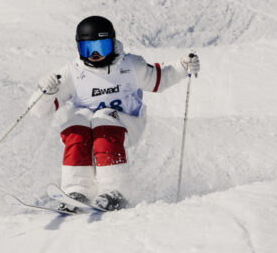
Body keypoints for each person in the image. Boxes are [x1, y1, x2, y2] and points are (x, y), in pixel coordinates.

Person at [33, 15, 200, 212]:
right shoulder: (73, 72)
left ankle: (114, 191)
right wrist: (45, 93)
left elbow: (160, 78)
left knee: (103, 119)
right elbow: (40, 111)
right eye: (87, 49)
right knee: (76, 126)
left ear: (112, 43)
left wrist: (182, 66)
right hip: (91, 124)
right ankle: (76, 191)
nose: (95, 54)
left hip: (127, 124)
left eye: (101, 47)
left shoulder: (130, 66)